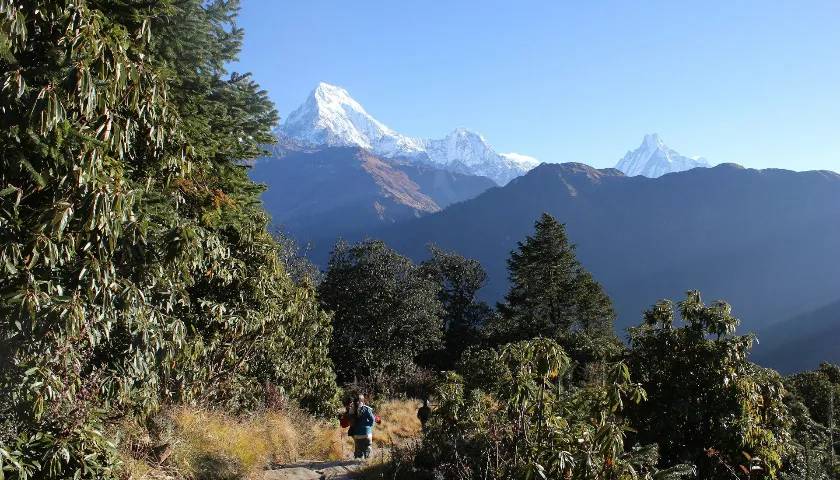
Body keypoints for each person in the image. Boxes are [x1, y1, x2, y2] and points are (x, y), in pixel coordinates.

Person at [344, 394, 376, 459]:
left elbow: (350, 422)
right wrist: (368, 427)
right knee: (368, 451)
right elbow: (372, 419)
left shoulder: (352, 410)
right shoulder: (367, 409)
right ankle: (367, 462)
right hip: (367, 434)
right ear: (363, 401)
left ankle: (358, 461)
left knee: (359, 454)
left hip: (357, 435)